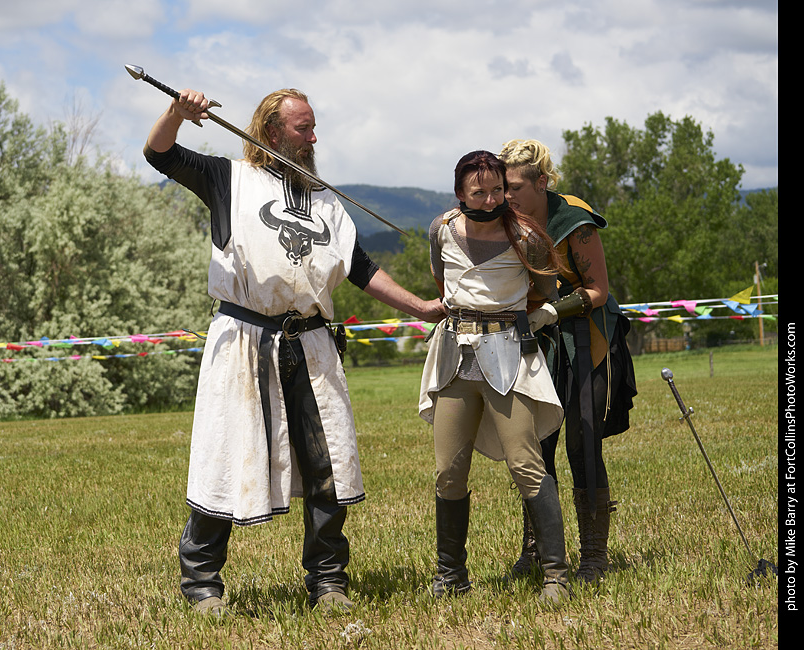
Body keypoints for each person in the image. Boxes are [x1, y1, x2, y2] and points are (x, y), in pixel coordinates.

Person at [143, 87, 446, 615]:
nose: (313, 138)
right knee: (225, 455)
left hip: (312, 343)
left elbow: (359, 267)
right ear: (272, 131)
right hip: (243, 342)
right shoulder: (228, 179)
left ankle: (328, 582)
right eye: (303, 128)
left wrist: (420, 306)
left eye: (313, 127)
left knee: (328, 464)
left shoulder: (327, 201)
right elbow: (159, 154)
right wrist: (177, 112)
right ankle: (202, 584)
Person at [418, 150, 580, 605]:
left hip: (508, 355)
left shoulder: (527, 235)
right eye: (479, 192)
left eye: (497, 190)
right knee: (448, 472)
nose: (490, 200)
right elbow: (441, 281)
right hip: (454, 357)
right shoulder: (441, 229)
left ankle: (555, 576)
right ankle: (451, 575)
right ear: (459, 192)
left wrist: (514, 316)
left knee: (527, 465)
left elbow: (544, 290)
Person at [498, 139, 637, 584]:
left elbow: (597, 290)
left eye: (516, 186)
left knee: (582, 443)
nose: (507, 195)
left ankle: (594, 556)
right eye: (503, 186)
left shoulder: (574, 219)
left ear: (541, 182)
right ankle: (537, 549)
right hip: (538, 343)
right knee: (535, 447)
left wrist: (553, 310)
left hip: (587, 339)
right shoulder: (505, 221)